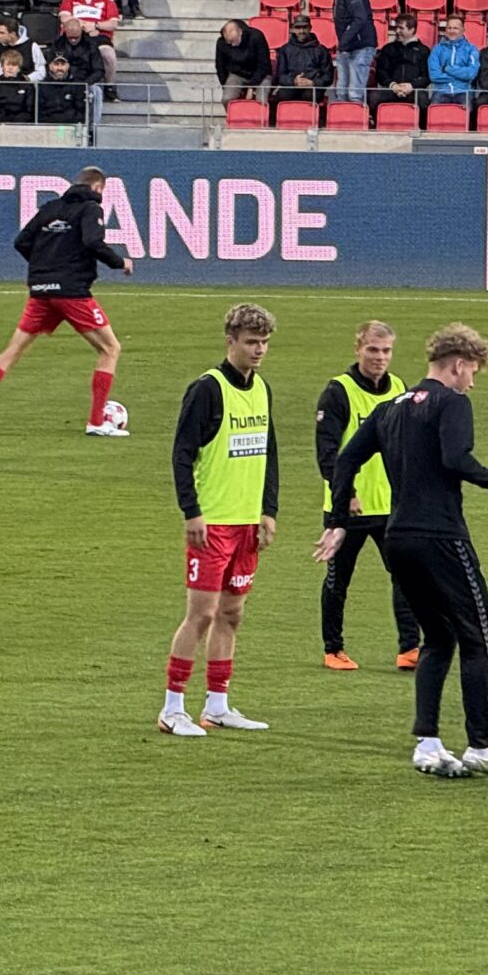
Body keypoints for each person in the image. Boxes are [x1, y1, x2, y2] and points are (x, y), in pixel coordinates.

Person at [322, 323, 488, 778]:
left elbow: (346, 458)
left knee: (438, 637)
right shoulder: (453, 403)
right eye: (473, 372)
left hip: (399, 539)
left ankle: (428, 744)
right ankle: (480, 746)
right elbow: (456, 459)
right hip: (442, 537)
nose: (472, 381)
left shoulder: (390, 407)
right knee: (479, 639)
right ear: (459, 364)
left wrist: (338, 520)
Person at [158, 304, 281, 738]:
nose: (259, 350)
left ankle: (218, 705)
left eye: (264, 342)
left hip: (247, 523)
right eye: (251, 342)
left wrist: (268, 511)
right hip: (212, 524)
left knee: (232, 614)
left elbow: (268, 452)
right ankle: (173, 707)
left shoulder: (261, 388)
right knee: (202, 614)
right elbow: (181, 453)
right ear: (230, 341)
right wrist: (191, 511)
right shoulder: (207, 390)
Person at [0, 165, 132, 436]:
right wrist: (121, 262)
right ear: (97, 188)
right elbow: (93, 242)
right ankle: (96, 422)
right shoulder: (91, 209)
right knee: (110, 349)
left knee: (11, 352)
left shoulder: (50, 208)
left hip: (41, 291)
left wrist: (43, 267)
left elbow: (21, 241)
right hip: (71, 293)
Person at [315, 318, 420, 673]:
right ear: (358, 348)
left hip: (391, 504)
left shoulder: (400, 389)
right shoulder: (338, 392)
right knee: (338, 581)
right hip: (349, 508)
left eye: (386, 351)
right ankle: (334, 649)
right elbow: (327, 451)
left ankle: (409, 647)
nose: (379, 357)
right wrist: (346, 494)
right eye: (372, 350)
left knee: (406, 576)